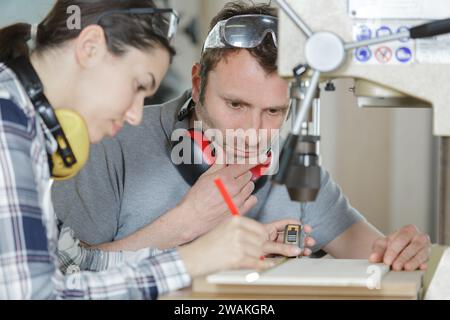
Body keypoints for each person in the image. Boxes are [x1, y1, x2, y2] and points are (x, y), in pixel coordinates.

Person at [53, 1, 431, 272]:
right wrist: (184, 223)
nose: (253, 133)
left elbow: (376, 254)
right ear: (198, 82)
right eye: (235, 105)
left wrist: (404, 250)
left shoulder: (295, 168)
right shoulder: (114, 138)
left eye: (273, 112)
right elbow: (64, 274)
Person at [0, 0, 282, 300]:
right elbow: (35, 295)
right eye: (138, 85)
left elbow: (76, 264)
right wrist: (190, 261)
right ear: (90, 47)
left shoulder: (25, 123)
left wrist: (205, 254)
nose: (136, 114)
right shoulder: (8, 125)